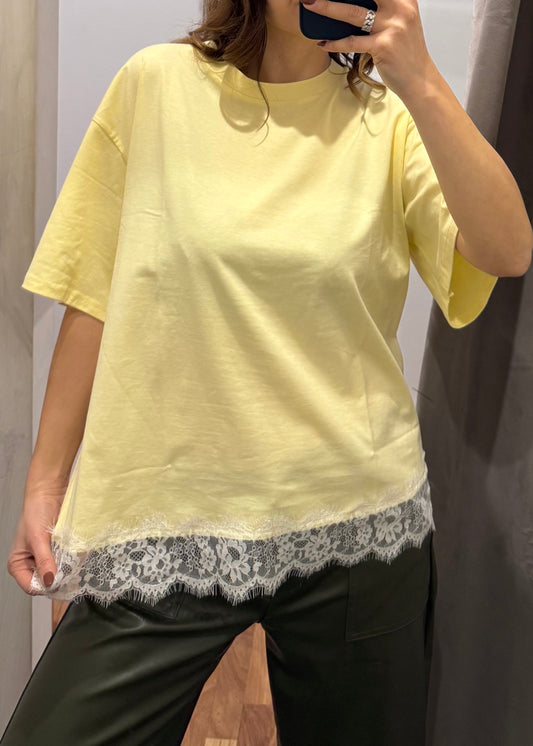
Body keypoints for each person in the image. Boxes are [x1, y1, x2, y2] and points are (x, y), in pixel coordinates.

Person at [2, 1, 532, 744]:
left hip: (357, 524)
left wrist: (419, 79)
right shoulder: (154, 85)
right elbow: (92, 288)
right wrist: (45, 482)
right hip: (166, 515)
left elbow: (506, 250)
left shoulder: (391, 122)